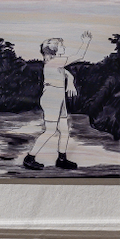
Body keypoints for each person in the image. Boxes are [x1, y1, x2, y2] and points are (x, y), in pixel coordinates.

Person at [23, 31, 92, 171]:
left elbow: (67, 73)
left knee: (64, 130)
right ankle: (29, 158)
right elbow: (79, 56)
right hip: (52, 98)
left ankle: (61, 159)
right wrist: (85, 42)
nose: (64, 47)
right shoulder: (54, 62)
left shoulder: (56, 64)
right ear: (54, 50)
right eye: (61, 46)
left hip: (59, 98)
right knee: (50, 131)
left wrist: (70, 81)